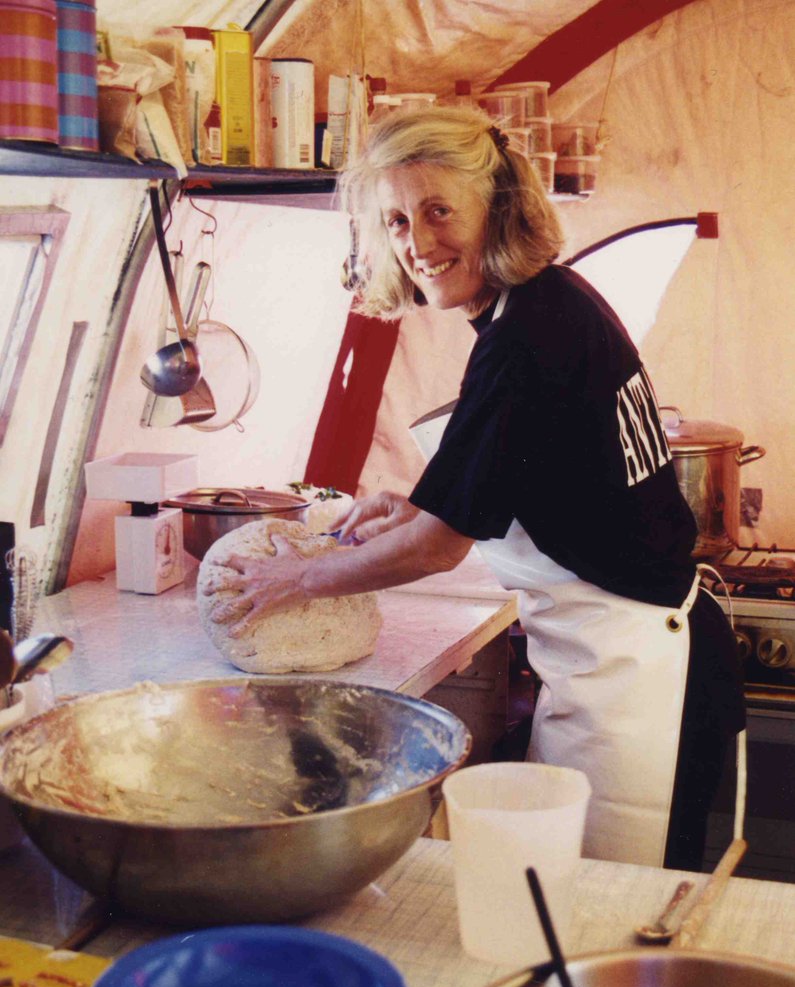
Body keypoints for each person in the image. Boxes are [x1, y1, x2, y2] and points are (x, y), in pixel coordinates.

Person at [205, 105, 744, 870]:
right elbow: (516, 473)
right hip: (616, 661)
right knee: (570, 901)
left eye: (436, 211)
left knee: (609, 914)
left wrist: (293, 579)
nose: (418, 245)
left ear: (498, 207)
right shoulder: (541, 304)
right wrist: (419, 503)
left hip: (641, 676)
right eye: (394, 221)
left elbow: (433, 550)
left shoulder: (526, 336)